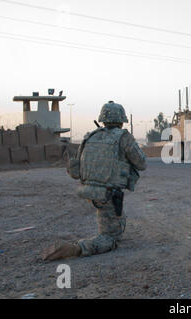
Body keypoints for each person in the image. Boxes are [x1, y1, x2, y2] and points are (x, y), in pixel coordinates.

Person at [41, 101, 147, 261]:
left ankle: (109, 230)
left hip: (89, 190)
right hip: (109, 194)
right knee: (111, 238)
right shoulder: (123, 137)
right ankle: (77, 249)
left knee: (118, 220)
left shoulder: (90, 136)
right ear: (121, 120)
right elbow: (141, 163)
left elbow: (76, 170)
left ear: (103, 119)